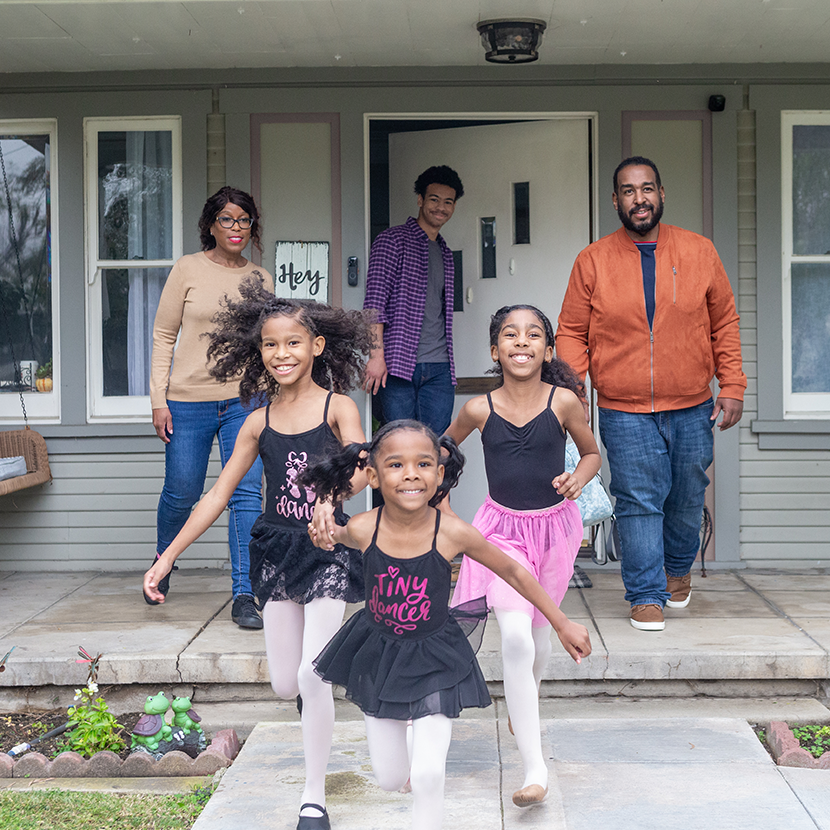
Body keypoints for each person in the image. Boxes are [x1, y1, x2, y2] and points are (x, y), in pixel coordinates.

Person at [143, 280, 374, 830]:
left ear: (317, 346)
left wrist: (332, 497)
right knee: (285, 683)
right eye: (271, 345)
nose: (282, 354)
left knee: (314, 675)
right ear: (259, 352)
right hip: (275, 551)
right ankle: (317, 690)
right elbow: (216, 497)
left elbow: (363, 464)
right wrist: (167, 556)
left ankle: (313, 797)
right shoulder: (257, 421)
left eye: (294, 343)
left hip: (328, 549)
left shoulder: (338, 406)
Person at [303, 420, 591, 830]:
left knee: (427, 775)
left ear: (439, 474)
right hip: (380, 654)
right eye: (396, 465)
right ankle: (402, 747)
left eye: (423, 464)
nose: (410, 475)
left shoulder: (453, 532)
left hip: (437, 659)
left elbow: (513, 571)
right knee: (389, 779)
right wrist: (322, 531)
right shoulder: (365, 528)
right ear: (372, 475)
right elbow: (330, 535)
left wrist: (561, 622)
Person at [556, 156, 746, 632]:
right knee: (638, 498)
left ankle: (677, 570)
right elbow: (571, 333)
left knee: (686, 495)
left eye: (646, 189)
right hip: (624, 407)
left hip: (693, 403)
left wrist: (734, 385)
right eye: (627, 191)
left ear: (661, 194)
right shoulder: (593, 260)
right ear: (615, 200)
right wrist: (574, 391)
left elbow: (724, 322)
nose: (637, 199)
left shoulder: (700, 251)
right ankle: (644, 594)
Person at [445, 304, 601, 807]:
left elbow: (593, 453)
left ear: (548, 350)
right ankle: (535, 769)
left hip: (555, 532)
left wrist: (578, 477)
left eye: (534, 335)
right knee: (514, 634)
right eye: (509, 334)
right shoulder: (478, 409)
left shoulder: (564, 403)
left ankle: (523, 704)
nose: (521, 341)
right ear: (495, 351)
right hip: (500, 532)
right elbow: (441, 454)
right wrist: (444, 515)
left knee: (538, 638)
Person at [148, 186, 274, 629]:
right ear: (211, 226)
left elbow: (268, 344)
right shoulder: (187, 269)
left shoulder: (260, 278)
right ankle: (163, 562)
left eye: (244, 220)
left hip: (246, 400)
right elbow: (164, 335)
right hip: (186, 402)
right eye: (227, 219)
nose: (236, 228)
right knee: (182, 491)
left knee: (244, 494)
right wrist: (157, 399)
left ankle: (244, 593)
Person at [362, 165, 464, 436]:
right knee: (398, 442)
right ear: (420, 200)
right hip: (398, 364)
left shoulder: (445, 251)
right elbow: (374, 304)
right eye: (433, 199)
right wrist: (376, 356)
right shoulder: (391, 240)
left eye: (448, 202)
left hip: (441, 366)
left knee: (436, 446)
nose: (440, 207)